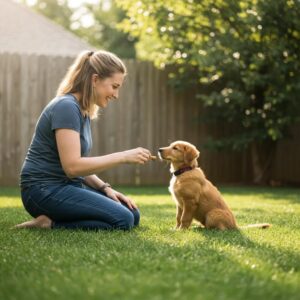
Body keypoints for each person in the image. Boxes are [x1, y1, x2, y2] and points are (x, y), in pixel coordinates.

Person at [15, 50, 153, 231]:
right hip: (42, 190)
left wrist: (105, 188)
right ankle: (48, 223)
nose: (116, 95)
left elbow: (80, 166)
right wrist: (124, 156)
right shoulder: (66, 106)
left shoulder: (82, 111)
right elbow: (72, 167)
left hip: (64, 186)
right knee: (123, 220)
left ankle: (54, 220)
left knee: (132, 213)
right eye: (114, 86)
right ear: (95, 80)